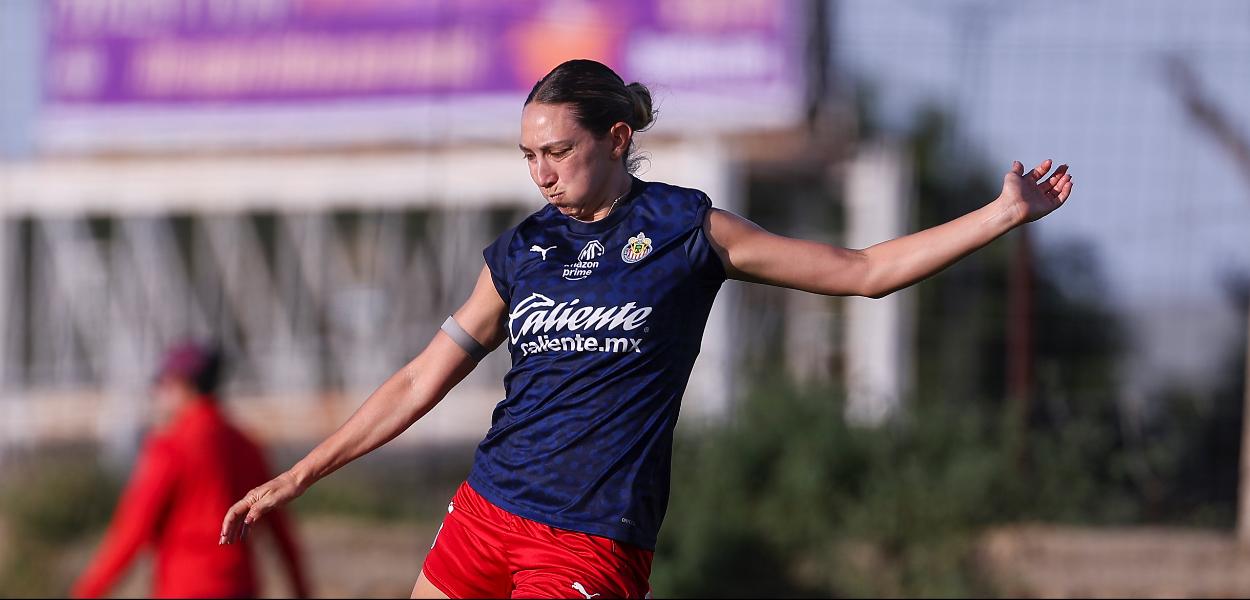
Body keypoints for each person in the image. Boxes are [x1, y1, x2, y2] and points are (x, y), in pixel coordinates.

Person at [220, 59, 1073, 599]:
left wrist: (999, 215)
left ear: (617, 138)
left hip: (590, 538)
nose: (541, 172)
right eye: (528, 155)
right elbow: (418, 380)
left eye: (558, 151)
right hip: (484, 513)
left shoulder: (688, 231)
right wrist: (300, 473)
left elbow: (863, 271)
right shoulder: (521, 250)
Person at [75, 341, 309, 598]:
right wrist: (301, 589)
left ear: (181, 385)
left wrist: (87, 593)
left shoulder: (170, 447)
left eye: (162, 383)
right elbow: (281, 531)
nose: (157, 393)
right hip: (240, 587)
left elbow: (131, 532)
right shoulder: (246, 446)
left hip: (186, 587)